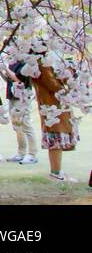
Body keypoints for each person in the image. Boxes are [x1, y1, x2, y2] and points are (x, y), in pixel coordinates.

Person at [31, 45, 78, 181]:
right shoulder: (42, 65)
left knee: (57, 139)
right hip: (52, 107)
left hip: (55, 106)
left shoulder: (44, 64)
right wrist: (67, 73)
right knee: (56, 139)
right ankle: (56, 172)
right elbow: (53, 85)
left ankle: (57, 171)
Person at [0, 56, 39, 165]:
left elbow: (18, 80)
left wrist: (6, 69)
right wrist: (1, 71)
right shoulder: (12, 63)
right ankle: (20, 153)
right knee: (17, 126)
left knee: (25, 124)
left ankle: (32, 154)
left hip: (23, 97)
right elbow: (9, 80)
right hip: (12, 96)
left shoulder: (25, 64)